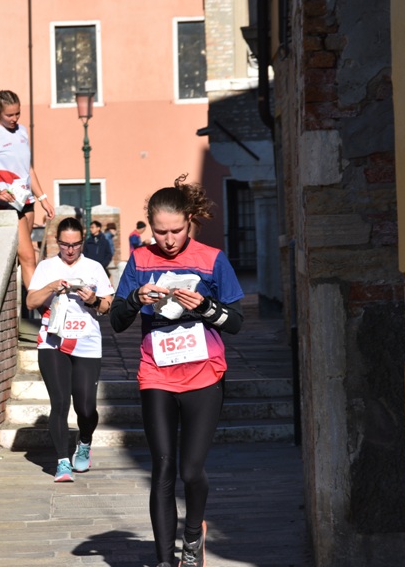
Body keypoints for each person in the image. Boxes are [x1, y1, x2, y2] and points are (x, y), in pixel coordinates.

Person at [109, 174, 244, 567]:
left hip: (204, 373)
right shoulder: (139, 261)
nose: (168, 240)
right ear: (150, 227)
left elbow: (236, 322)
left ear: (190, 221)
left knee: (190, 470)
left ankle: (193, 533)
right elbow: (117, 321)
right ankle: (165, 560)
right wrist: (135, 298)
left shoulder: (212, 259)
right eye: (160, 232)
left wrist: (204, 306)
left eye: (176, 231)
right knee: (163, 466)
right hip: (156, 373)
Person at [25, 217, 114, 482]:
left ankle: (84, 442)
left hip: (86, 342)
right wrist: (52, 286)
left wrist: (93, 299)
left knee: (86, 407)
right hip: (53, 341)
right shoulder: (46, 267)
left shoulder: (94, 268)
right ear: (57, 242)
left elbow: (108, 306)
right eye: (65, 245)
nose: (70, 250)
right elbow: (30, 302)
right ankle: (62, 461)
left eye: (75, 244)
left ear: (82, 242)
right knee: (60, 402)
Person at [0, 90, 54, 289]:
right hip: (6, 206)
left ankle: (11, 299)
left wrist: (43, 199)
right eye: (9, 115)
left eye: (18, 113)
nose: (14, 119)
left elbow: (28, 170)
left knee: (17, 259)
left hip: (27, 202)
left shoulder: (22, 131)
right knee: (28, 258)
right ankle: (39, 303)